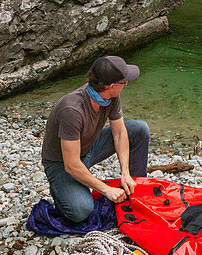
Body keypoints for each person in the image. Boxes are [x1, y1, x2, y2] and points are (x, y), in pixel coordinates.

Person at [41, 55, 149, 223]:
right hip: (62, 163)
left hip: (90, 148)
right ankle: (59, 188)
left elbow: (119, 133)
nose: (126, 84)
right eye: (124, 82)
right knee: (80, 211)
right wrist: (107, 190)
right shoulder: (72, 110)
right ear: (112, 86)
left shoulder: (110, 96)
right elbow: (71, 164)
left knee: (139, 129)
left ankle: (135, 188)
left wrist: (125, 173)